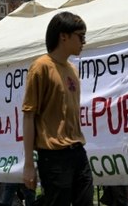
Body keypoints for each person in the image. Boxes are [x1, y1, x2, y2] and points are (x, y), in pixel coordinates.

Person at [22, 11, 93, 206]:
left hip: (78, 151)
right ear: (64, 36)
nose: (84, 42)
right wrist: (29, 164)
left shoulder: (73, 70)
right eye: (81, 36)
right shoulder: (41, 67)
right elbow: (29, 116)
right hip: (53, 156)